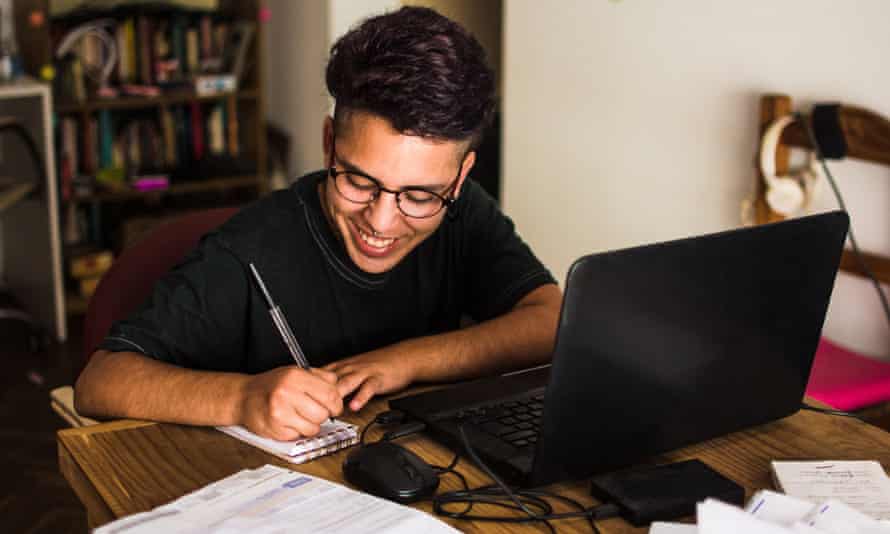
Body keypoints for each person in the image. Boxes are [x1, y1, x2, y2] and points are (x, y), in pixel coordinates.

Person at [74, 6, 561, 441]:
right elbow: (99, 382)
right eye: (358, 181)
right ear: (329, 143)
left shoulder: (462, 209)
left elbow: (549, 319)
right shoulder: (249, 249)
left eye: (418, 195)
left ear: (459, 179)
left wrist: (404, 362)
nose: (382, 221)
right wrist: (242, 399)